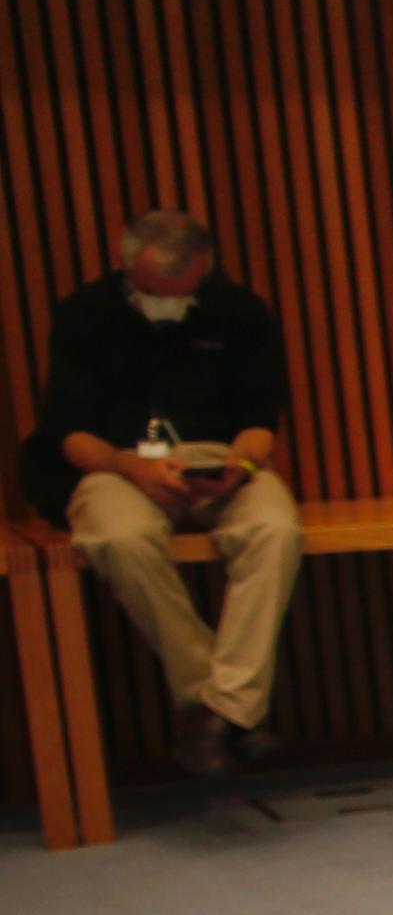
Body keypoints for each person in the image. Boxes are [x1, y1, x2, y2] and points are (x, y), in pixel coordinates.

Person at [26, 208, 298, 776]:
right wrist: (130, 467)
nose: (170, 304)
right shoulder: (85, 314)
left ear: (205, 269)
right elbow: (68, 433)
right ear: (127, 269)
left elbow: (259, 420)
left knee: (275, 529)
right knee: (118, 537)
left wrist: (242, 464)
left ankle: (219, 709)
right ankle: (219, 703)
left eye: (185, 292)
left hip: (220, 461)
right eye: (154, 292)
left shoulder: (241, 312)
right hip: (119, 464)